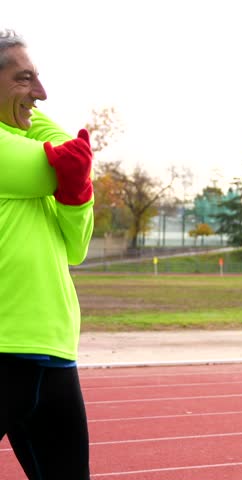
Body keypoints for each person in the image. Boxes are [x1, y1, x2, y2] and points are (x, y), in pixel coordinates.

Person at [0, 29, 95, 479]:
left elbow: (75, 247)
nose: (41, 93)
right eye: (25, 79)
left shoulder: (27, 145)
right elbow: (66, 159)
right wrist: (73, 179)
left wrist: (77, 195)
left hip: (53, 353)